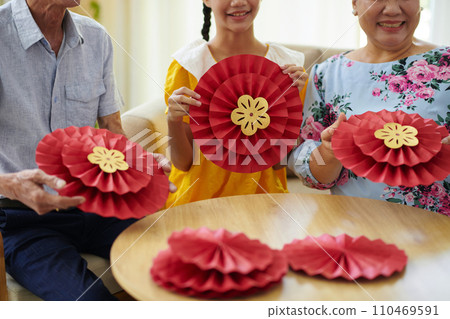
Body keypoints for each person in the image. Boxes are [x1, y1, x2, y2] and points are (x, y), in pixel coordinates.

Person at [0, 0, 173, 300]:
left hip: (95, 204)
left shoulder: (96, 38)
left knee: (183, 268)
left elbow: (112, 129)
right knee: (92, 302)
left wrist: (139, 162)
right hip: (22, 220)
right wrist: (10, 184)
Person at [288, 0, 450, 215]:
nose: (392, 9)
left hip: (437, 234)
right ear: (355, 4)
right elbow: (315, 178)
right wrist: (329, 151)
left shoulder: (445, 65)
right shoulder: (325, 75)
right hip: (355, 229)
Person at [165, 0, 308, 207]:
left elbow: (278, 163)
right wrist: (173, 120)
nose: (238, 2)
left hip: (264, 202)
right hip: (198, 201)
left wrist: (293, 101)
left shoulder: (285, 66)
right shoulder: (189, 65)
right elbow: (183, 163)